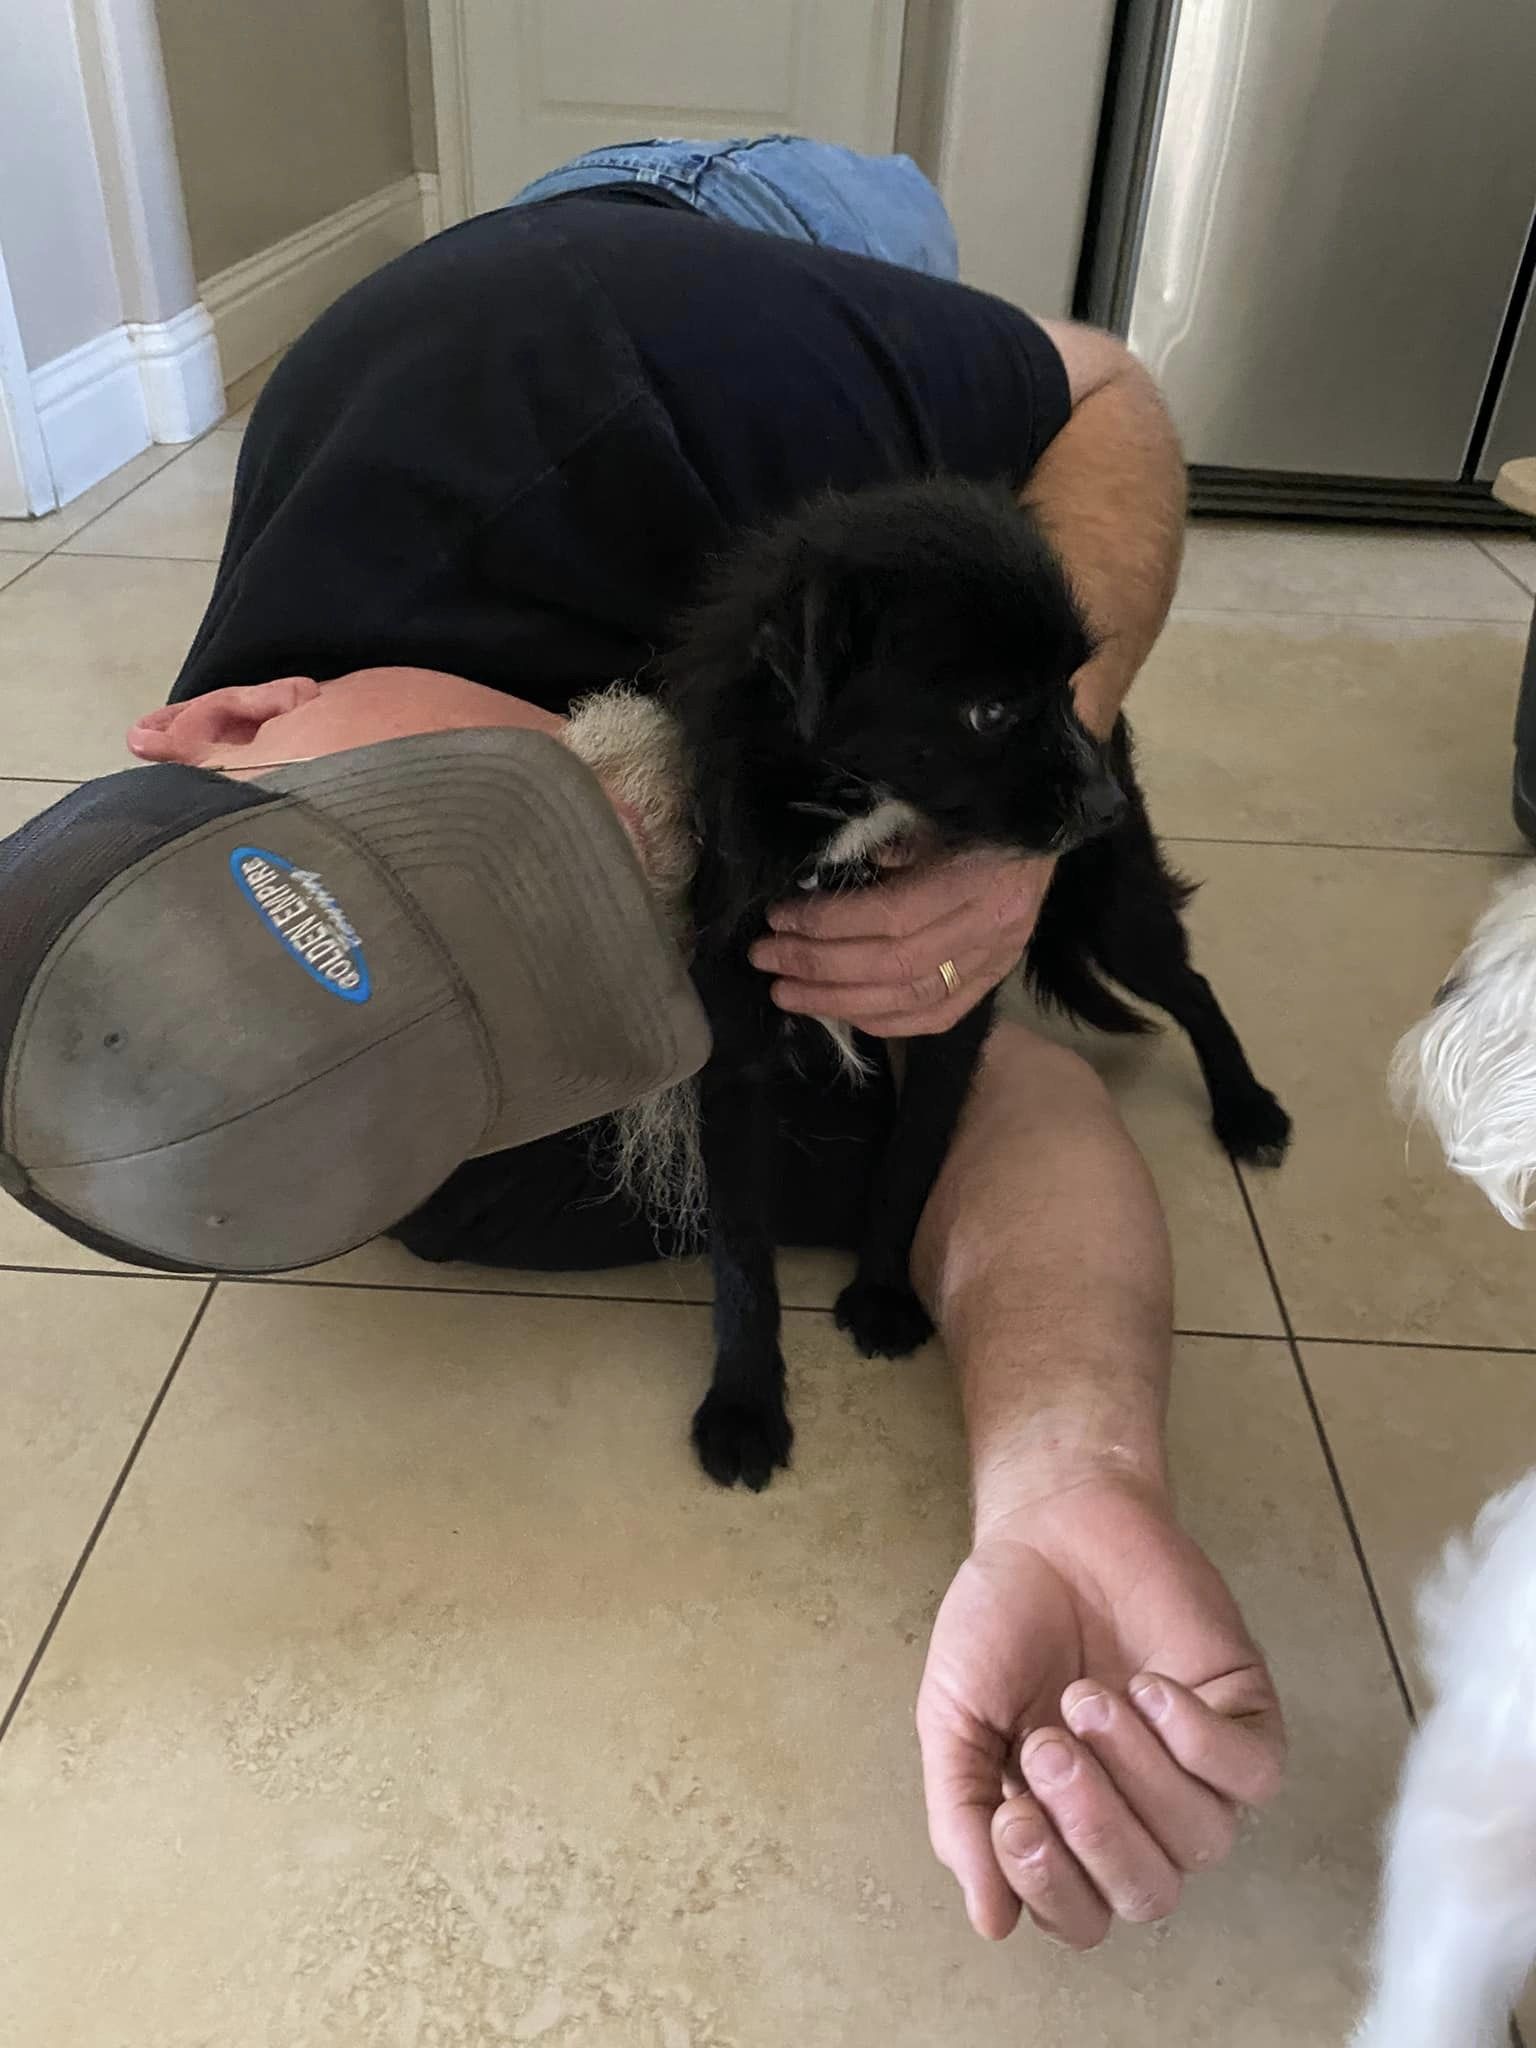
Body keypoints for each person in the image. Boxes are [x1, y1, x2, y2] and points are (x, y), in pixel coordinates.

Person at [0, 137, 1283, 1950]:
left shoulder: (622, 367)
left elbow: (1108, 395)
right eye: (561, 970)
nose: (614, 865)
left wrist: (1025, 791)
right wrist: (1073, 1484)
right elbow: (1023, 1105)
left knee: (1002, 400)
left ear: (236, 715)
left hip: (717, 226)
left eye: (460, 822)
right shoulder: (424, 1149)